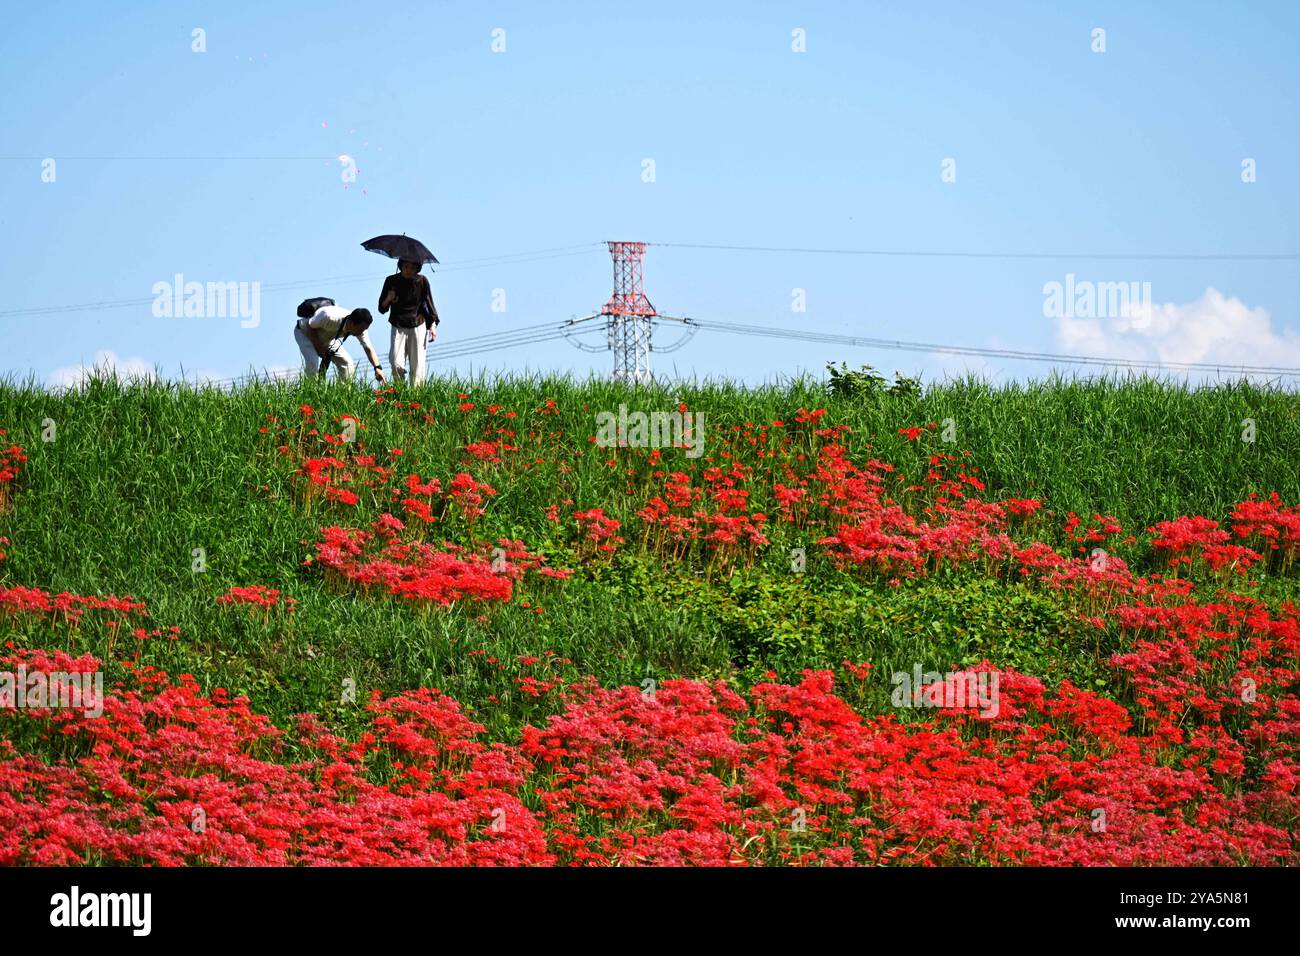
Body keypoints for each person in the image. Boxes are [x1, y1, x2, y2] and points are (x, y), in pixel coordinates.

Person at [378, 259, 439, 384]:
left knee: (417, 366)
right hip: (398, 325)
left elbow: (429, 303)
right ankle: (399, 389)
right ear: (400, 266)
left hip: (418, 324)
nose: (408, 270)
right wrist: (389, 298)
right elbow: (382, 308)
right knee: (395, 362)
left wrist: (432, 325)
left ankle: (415, 397)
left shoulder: (422, 281)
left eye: (412, 267)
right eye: (406, 266)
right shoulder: (391, 281)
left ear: (418, 268)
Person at [294, 305, 386, 382]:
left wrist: (377, 367)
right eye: (361, 329)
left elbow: (368, 348)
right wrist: (320, 348)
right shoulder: (330, 317)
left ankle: (343, 392)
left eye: (364, 329)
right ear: (351, 323)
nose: (362, 332)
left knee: (347, 363)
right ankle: (310, 392)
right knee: (313, 362)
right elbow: (310, 326)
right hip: (305, 333)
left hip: (327, 339)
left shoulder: (361, 328)